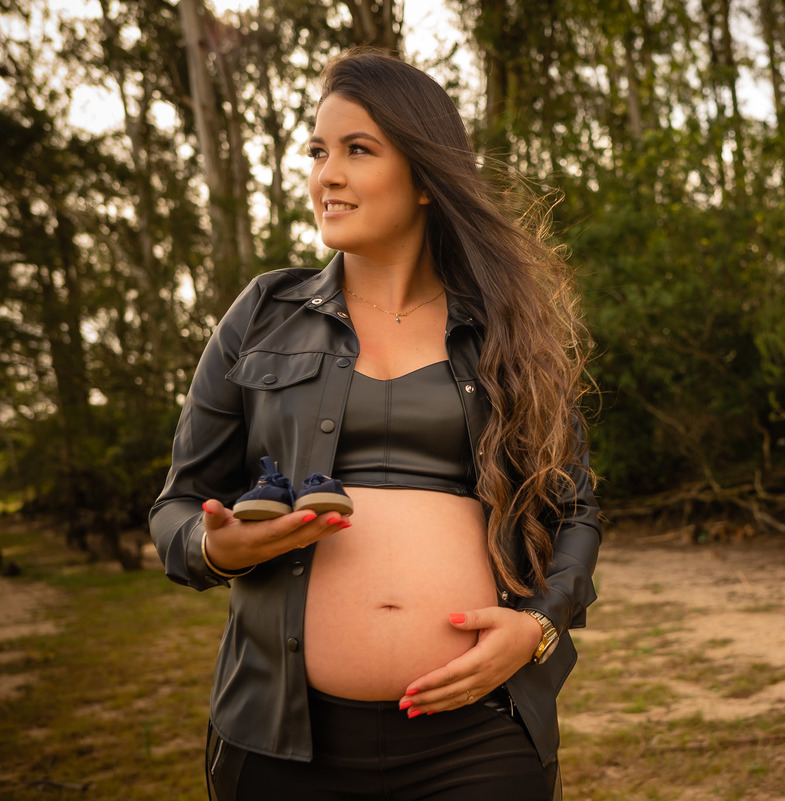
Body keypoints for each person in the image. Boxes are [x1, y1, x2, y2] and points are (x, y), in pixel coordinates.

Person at [149, 47, 600, 801]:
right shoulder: (262, 315)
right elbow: (176, 506)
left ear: (425, 177)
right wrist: (213, 547)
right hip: (283, 744)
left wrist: (539, 627)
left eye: (358, 150)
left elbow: (575, 506)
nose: (327, 174)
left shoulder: (506, 330)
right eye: (319, 151)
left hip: (479, 737)